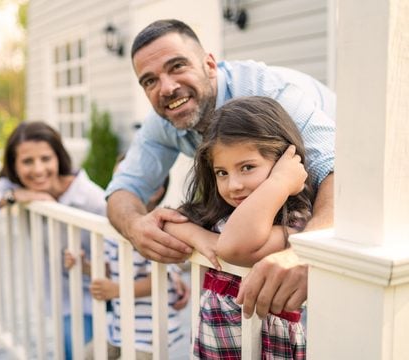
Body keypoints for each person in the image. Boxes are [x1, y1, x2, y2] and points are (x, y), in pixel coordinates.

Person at [105, 19, 335, 319]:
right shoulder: (162, 121)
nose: (167, 88)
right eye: (150, 81)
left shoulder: (269, 92)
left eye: (177, 66)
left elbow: (339, 174)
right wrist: (135, 227)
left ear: (209, 65)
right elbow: (123, 189)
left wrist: (307, 255)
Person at [164, 96, 312, 358]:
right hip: (214, 346)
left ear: (283, 162)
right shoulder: (220, 215)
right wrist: (200, 237)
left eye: (247, 167)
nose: (233, 185)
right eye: (222, 172)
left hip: (266, 347)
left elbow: (233, 247)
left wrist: (278, 182)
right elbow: (168, 222)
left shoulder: (294, 222)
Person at [0, 121, 105, 360]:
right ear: (14, 165)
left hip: (101, 296)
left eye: (46, 159)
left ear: (59, 158)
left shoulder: (90, 197)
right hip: (62, 299)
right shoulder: (14, 187)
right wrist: (15, 196)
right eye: (27, 161)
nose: (38, 170)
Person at [65, 175, 189, 359]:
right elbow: (109, 267)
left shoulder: (160, 229)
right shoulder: (114, 229)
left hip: (148, 334)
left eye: (124, 182)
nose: (115, 189)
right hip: (118, 328)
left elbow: (161, 281)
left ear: (156, 191)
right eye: (114, 180)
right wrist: (84, 266)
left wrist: (117, 290)